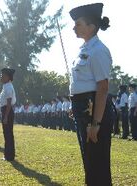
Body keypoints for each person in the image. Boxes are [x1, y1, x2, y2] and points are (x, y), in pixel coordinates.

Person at [69, 3, 113, 185]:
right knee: (89, 160)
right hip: (83, 109)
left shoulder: (98, 50)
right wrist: (75, 106)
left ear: (91, 27)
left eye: (78, 23)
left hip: (93, 110)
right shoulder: (84, 49)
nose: (74, 27)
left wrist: (96, 123)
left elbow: (102, 88)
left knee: (97, 162)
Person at [0, 68, 16, 161]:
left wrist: (5, 116)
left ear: (8, 77)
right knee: (7, 133)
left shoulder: (8, 87)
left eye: (3, 75)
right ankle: (8, 154)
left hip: (7, 111)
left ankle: (9, 156)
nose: (1, 77)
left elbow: (9, 103)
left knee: (8, 134)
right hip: (6, 110)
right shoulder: (6, 86)